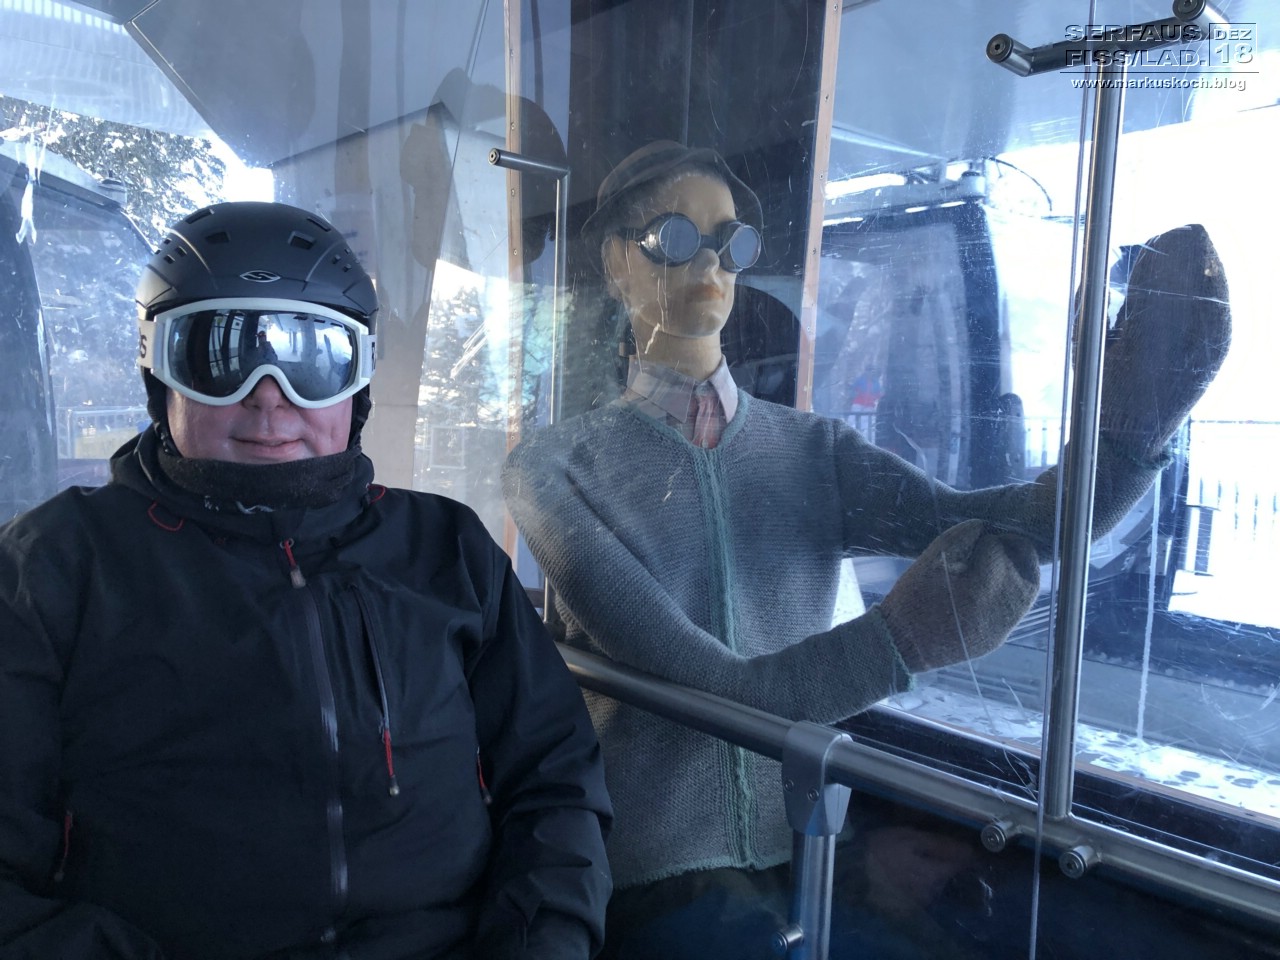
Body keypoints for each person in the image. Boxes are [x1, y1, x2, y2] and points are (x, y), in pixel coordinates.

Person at [501, 141, 1231, 957]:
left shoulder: (815, 451)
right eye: (676, 237)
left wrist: (1128, 435)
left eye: (732, 242)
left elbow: (1025, 522)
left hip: (817, 838)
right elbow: (714, 692)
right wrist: (898, 641)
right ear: (616, 264)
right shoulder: (551, 470)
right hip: (656, 865)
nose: (711, 262)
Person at [0, 201, 612, 960]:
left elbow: (554, 779)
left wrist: (542, 944)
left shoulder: (445, 550)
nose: (268, 394)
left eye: (315, 357)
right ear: (160, 376)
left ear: (357, 388)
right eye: (219, 354)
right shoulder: (55, 567)